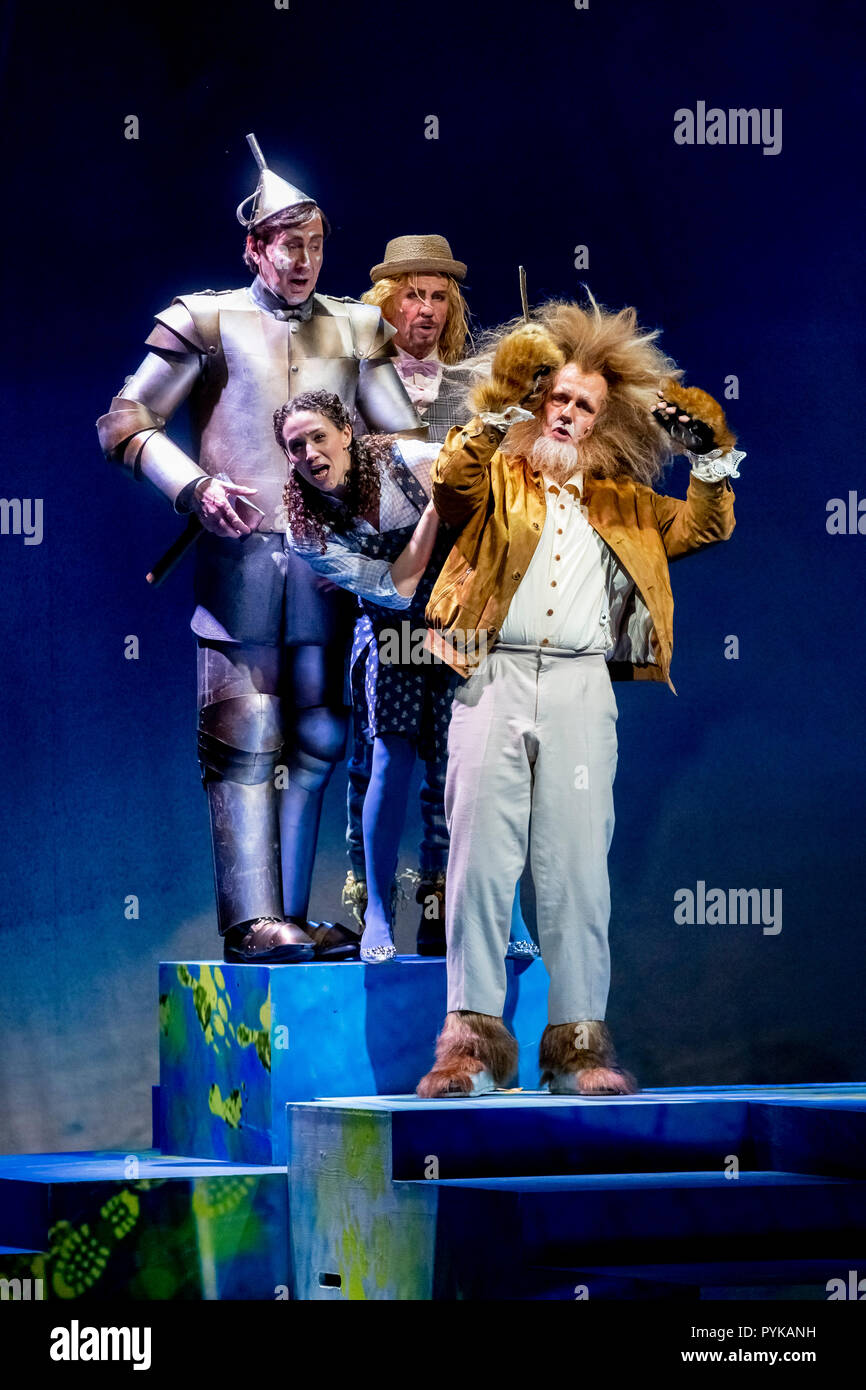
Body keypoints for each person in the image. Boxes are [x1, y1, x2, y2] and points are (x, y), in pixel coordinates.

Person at [97, 136, 422, 965]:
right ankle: (251, 917)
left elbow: (406, 444)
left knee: (320, 736)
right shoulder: (206, 319)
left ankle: (295, 916)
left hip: (330, 570)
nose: (304, 259)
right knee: (246, 730)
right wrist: (194, 486)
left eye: (315, 243)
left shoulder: (355, 326)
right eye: (288, 243)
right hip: (241, 564)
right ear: (254, 246)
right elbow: (125, 420)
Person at [415, 297, 744, 1096]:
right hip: (491, 676)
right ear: (536, 399)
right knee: (480, 868)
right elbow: (450, 480)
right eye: (556, 398)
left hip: (580, 687)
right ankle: (469, 1049)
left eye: (583, 405)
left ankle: (578, 1050)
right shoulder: (496, 471)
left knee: (577, 871)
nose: (566, 413)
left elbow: (704, 528)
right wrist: (494, 406)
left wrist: (712, 453)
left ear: (607, 421)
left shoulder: (623, 505)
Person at [343, 235, 539, 959]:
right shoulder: (361, 382)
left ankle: (501, 913)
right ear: (385, 300)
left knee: (480, 761)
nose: (423, 308)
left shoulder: (471, 385)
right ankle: (376, 915)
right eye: (410, 293)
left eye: (435, 295)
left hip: (467, 593)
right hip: (394, 595)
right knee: (391, 756)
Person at [275, 390, 456, 963]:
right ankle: (378, 908)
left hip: (454, 622)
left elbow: (479, 488)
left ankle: (482, 908)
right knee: (389, 758)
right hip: (388, 630)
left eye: (318, 437)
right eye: (295, 446)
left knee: (466, 766)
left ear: (347, 433)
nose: (308, 452)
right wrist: (435, 510)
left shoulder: (411, 461)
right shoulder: (302, 527)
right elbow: (393, 588)